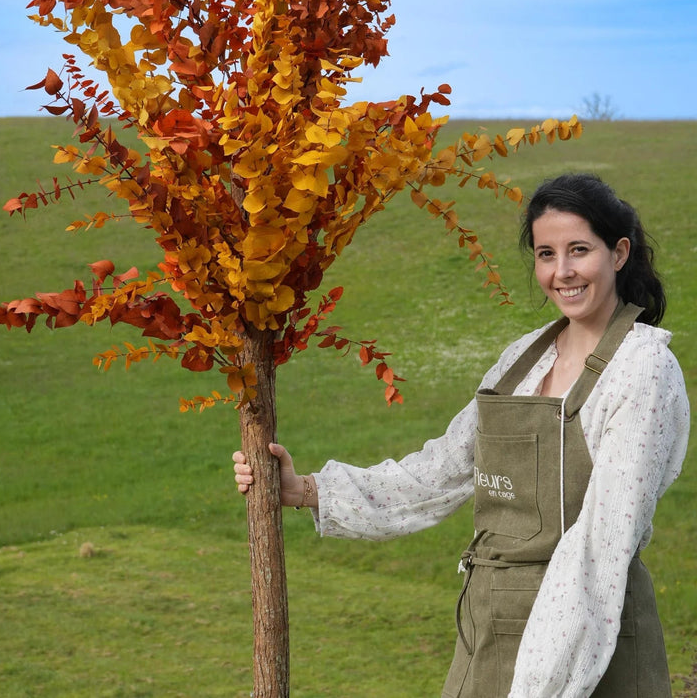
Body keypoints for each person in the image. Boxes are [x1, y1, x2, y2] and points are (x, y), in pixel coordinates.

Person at [233, 173, 690, 698]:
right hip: (491, 632)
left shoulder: (643, 368)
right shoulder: (521, 360)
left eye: (579, 250)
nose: (562, 272)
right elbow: (442, 471)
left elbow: (602, 544)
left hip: (580, 650)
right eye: (546, 254)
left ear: (618, 253)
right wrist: (306, 490)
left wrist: (541, 684)